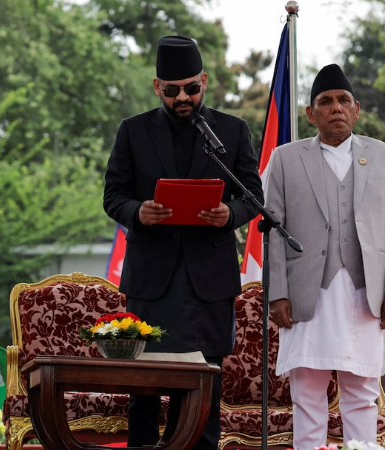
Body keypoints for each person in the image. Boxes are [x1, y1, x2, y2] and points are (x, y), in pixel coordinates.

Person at [103, 36, 262, 450]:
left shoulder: (231, 130)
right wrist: (139, 212)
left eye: (191, 88)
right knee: (144, 390)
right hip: (151, 282)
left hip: (208, 284)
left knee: (203, 390)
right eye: (172, 91)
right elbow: (113, 196)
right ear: (157, 87)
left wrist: (230, 214)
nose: (182, 98)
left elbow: (253, 196)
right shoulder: (133, 130)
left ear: (204, 81)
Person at [267, 64, 385, 449]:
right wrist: (277, 294)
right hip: (307, 293)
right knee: (307, 393)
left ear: (356, 109)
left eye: (344, 100)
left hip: (366, 292)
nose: (336, 108)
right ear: (311, 113)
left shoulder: (382, 155)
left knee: (362, 393)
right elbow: (273, 232)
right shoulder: (285, 158)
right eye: (326, 101)